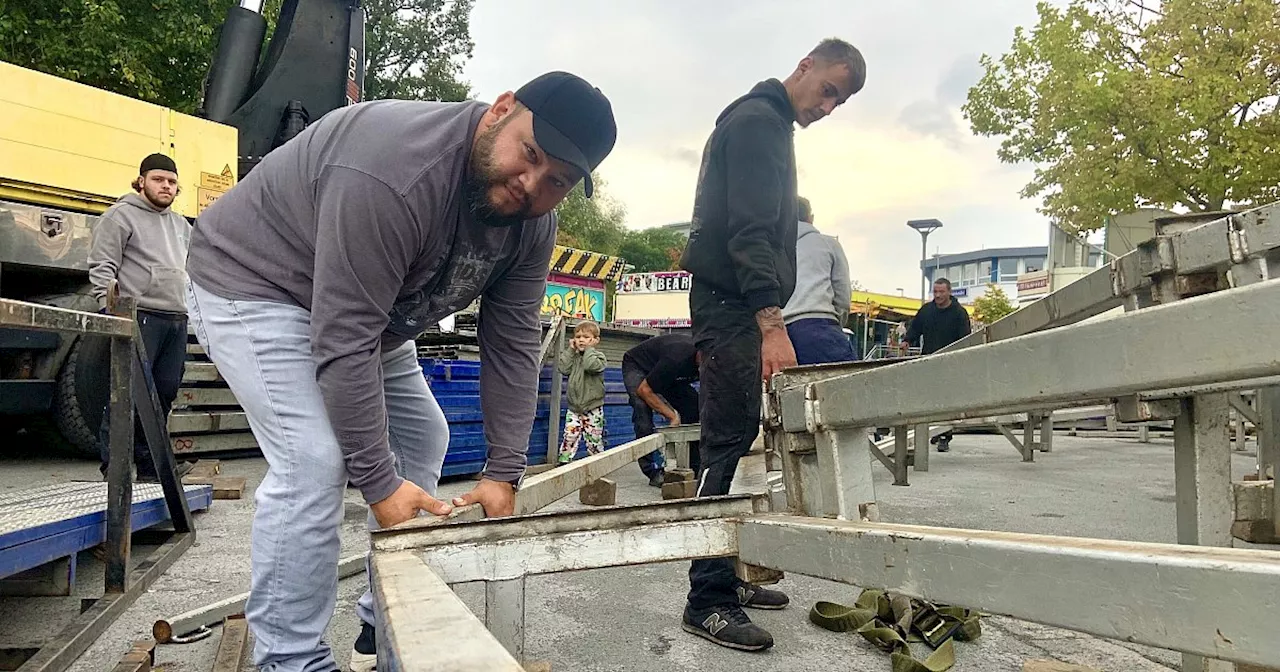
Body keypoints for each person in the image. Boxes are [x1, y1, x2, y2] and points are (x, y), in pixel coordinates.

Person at [183, 71, 617, 672]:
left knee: (426, 437)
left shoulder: (532, 224)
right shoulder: (393, 172)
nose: (531, 184)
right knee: (314, 460)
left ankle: (378, 621)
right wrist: (378, 484)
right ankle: (289, 661)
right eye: (531, 155)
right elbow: (343, 338)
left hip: (370, 311)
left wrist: (504, 471)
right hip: (257, 282)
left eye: (557, 182)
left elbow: (513, 342)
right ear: (501, 110)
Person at [677, 38, 866, 651]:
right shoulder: (760, 124)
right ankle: (706, 597)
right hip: (733, 308)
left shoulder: (760, 121)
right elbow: (749, 233)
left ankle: (727, 575)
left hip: (732, 307)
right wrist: (771, 322)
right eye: (830, 89)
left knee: (738, 443)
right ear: (805, 65)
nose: (830, 106)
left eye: (841, 100)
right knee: (724, 445)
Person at [88, 153, 193, 482]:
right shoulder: (121, 216)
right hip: (138, 314)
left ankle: (151, 467)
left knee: (164, 391)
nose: (165, 186)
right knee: (127, 392)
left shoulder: (181, 226)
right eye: (158, 179)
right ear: (141, 181)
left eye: (172, 182)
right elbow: (103, 265)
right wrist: (110, 311)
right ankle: (114, 466)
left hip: (175, 318)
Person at [783, 196, 856, 365]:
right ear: (811, 218)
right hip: (821, 328)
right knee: (848, 387)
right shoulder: (828, 244)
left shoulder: (774, 249)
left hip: (781, 335)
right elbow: (842, 296)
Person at [621, 333, 702, 486]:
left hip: (668, 373)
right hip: (640, 366)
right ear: (699, 353)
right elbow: (645, 391)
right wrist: (671, 416)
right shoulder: (676, 358)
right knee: (642, 408)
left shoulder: (713, 363)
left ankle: (695, 467)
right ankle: (653, 470)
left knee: (693, 406)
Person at [904, 277, 972, 451]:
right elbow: (915, 328)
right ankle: (933, 430)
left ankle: (945, 435)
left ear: (949, 292)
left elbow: (966, 339)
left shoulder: (959, 313)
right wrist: (907, 341)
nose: (938, 295)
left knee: (946, 401)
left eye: (942, 292)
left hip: (950, 364)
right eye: (935, 292)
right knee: (928, 399)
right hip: (928, 360)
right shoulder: (926, 311)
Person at [556, 320, 607, 464]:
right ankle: (564, 462)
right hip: (574, 407)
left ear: (595, 340)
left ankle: (598, 464)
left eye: (585, 337)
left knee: (594, 440)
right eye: (578, 337)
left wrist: (590, 349)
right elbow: (563, 368)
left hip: (593, 407)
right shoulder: (574, 357)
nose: (581, 340)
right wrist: (571, 350)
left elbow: (590, 365)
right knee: (569, 436)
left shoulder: (599, 357)